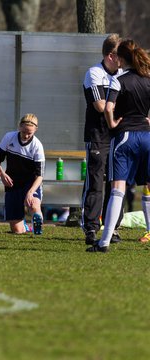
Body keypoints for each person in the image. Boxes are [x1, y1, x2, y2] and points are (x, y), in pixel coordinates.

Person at [86, 39, 150, 252]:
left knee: (117, 189)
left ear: (121, 59)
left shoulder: (119, 79)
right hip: (147, 137)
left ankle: (103, 242)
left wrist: (113, 123)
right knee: (147, 188)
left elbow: (107, 107)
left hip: (125, 138)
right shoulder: (148, 78)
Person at [82, 33, 123, 245]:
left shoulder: (124, 74)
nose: (123, 59)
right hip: (98, 136)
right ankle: (90, 227)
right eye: (120, 55)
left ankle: (113, 227)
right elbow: (99, 106)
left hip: (119, 137)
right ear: (110, 56)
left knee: (116, 183)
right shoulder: (94, 73)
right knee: (96, 183)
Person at [0, 113, 45, 235]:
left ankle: (37, 223)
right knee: (17, 231)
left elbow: (40, 176)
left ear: (36, 130)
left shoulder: (37, 146)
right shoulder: (9, 137)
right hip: (12, 184)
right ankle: (25, 226)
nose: (26, 135)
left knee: (34, 204)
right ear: (19, 127)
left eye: (29, 133)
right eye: (24, 131)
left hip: (30, 184)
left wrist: (30, 192)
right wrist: (2, 174)